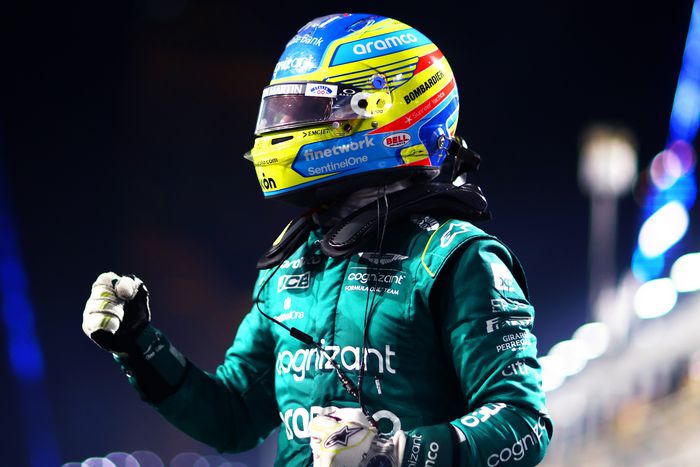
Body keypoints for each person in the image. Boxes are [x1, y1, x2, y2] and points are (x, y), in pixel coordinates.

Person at [82, 13, 552, 466]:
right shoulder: (291, 260)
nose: (282, 127)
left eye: (309, 110)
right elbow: (234, 419)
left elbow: (524, 424)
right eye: (281, 110)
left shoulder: (457, 258)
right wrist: (139, 347)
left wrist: (395, 454)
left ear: (382, 110)